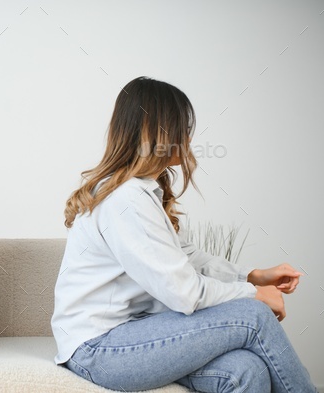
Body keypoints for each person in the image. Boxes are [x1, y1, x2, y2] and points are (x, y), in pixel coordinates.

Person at [51, 77, 316, 392]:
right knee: (254, 315)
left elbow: (187, 258)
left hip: (139, 333)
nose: (189, 135)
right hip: (98, 348)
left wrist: (254, 276)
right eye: (182, 125)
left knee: (246, 370)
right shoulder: (126, 200)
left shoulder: (143, 191)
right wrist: (253, 295)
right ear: (158, 131)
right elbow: (184, 292)